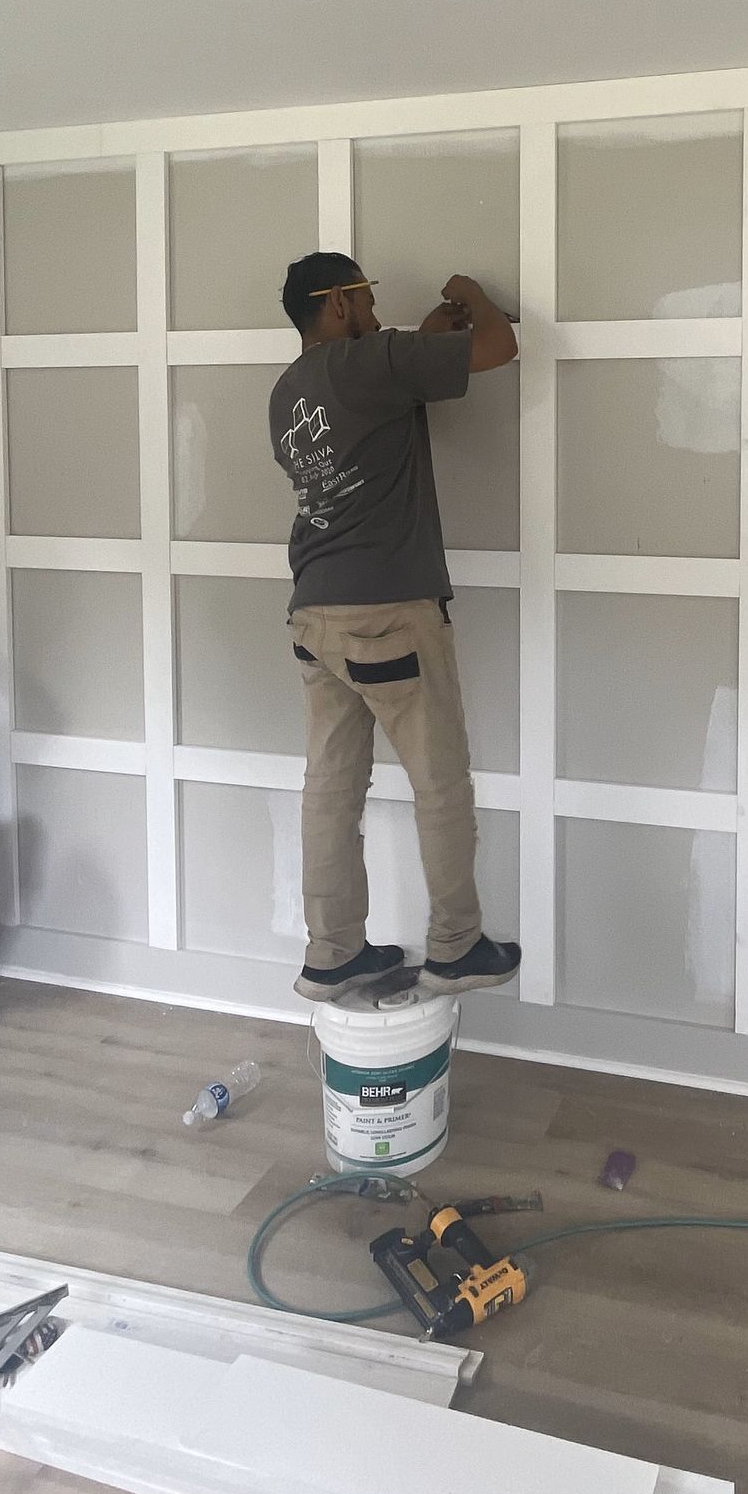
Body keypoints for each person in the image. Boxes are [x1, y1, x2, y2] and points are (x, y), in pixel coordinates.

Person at [271, 254, 522, 998]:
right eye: (367, 298)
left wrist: (425, 338)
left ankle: (332, 953)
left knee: (331, 789)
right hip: (388, 614)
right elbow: (499, 347)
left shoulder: (290, 390)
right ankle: (455, 946)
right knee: (439, 784)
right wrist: (471, 296)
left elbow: (390, 395)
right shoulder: (369, 362)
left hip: (314, 614)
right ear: (340, 304)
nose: (376, 311)